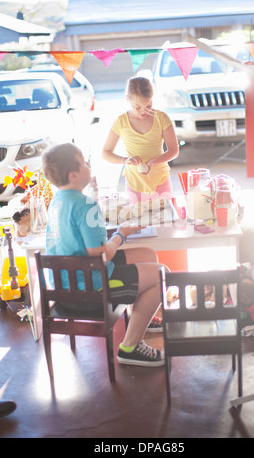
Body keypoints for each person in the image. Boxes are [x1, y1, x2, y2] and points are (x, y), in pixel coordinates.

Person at [42, 143, 168, 367]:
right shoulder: (87, 205)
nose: (89, 166)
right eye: (84, 163)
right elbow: (100, 257)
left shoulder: (57, 201)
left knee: (147, 253)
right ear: (74, 174)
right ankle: (130, 347)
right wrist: (121, 234)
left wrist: (115, 235)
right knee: (162, 275)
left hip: (65, 285)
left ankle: (141, 319)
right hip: (90, 288)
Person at [102, 76, 179, 204]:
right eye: (137, 107)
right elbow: (105, 153)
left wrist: (153, 162)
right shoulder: (121, 121)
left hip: (160, 180)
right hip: (134, 184)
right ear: (127, 100)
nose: (144, 111)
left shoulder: (161, 118)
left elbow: (173, 150)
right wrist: (125, 160)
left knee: (165, 219)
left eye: (149, 105)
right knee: (138, 221)